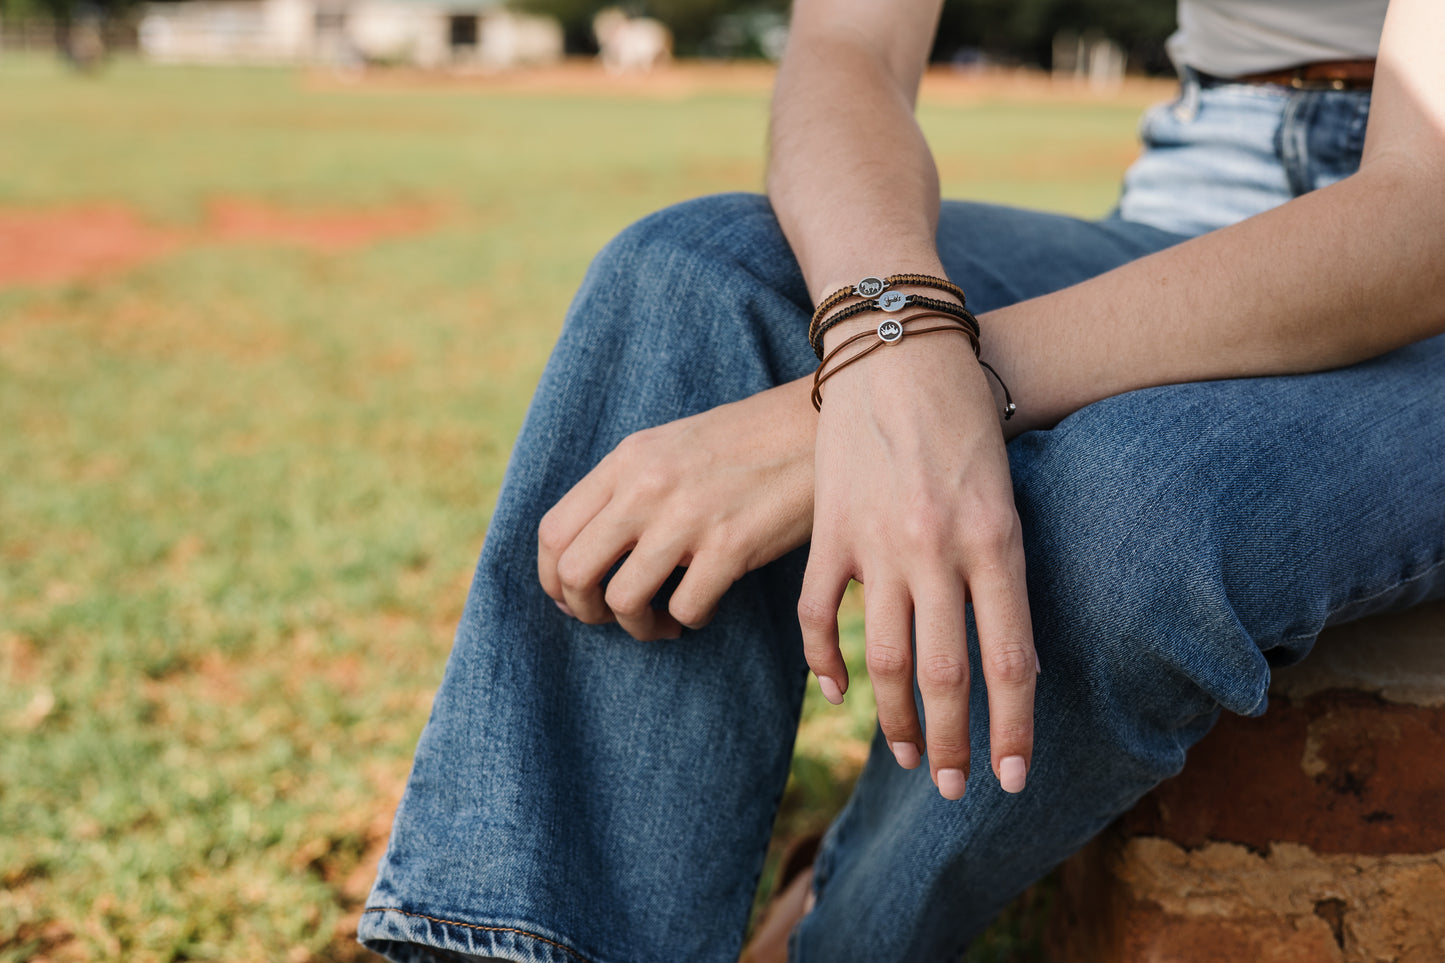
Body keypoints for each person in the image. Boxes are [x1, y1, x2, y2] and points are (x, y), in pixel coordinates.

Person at [358, 0, 1445, 959]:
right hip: (1204, 179)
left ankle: (826, 935)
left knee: (1129, 513)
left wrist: (915, 369)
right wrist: (885, 333)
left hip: (1418, 242)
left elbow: (1416, 219)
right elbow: (848, 50)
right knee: (693, 281)